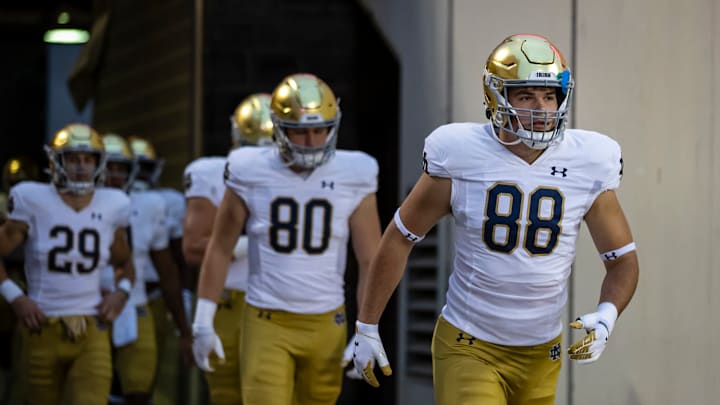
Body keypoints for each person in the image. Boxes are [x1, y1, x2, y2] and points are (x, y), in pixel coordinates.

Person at [352, 33, 640, 404]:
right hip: (470, 344)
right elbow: (399, 237)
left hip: (542, 352)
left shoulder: (590, 160)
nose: (542, 108)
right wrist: (368, 324)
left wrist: (607, 314)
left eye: (549, 95)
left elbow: (622, 261)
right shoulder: (461, 154)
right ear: (496, 96)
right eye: (526, 95)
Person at [193, 73, 382, 405]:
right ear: (277, 128)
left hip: (328, 320)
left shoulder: (356, 172)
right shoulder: (249, 168)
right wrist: (203, 319)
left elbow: (371, 259)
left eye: (319, 129)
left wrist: (368, 326)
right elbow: (220, 247)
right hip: (267, 319)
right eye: (299, 130)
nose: (310, 141)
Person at [0, 123, 135, 404]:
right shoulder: (31, 198)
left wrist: (121, 293)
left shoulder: (114, 204)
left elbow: (125, 263)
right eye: (73, 158)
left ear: (100, 163)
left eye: (88, 159)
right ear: (57, 161)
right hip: (41, 326)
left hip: (92, 329)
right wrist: (15, 297)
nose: (81, 167)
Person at [182, 92, 273, 404]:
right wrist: (250, 244)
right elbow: (193, 249)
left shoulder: (309, 176)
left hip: (280, 305)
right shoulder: (212, 173)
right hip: (228, 301)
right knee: (227, 396)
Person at [101, 134, 193, 405]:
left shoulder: (150, 205)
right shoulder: (73, 203)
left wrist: (184, 330)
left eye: (122, 168)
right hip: (91, 308)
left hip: (136, 306)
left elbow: (167, 272)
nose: (115, 175)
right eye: (110, 166)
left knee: (140, 392)